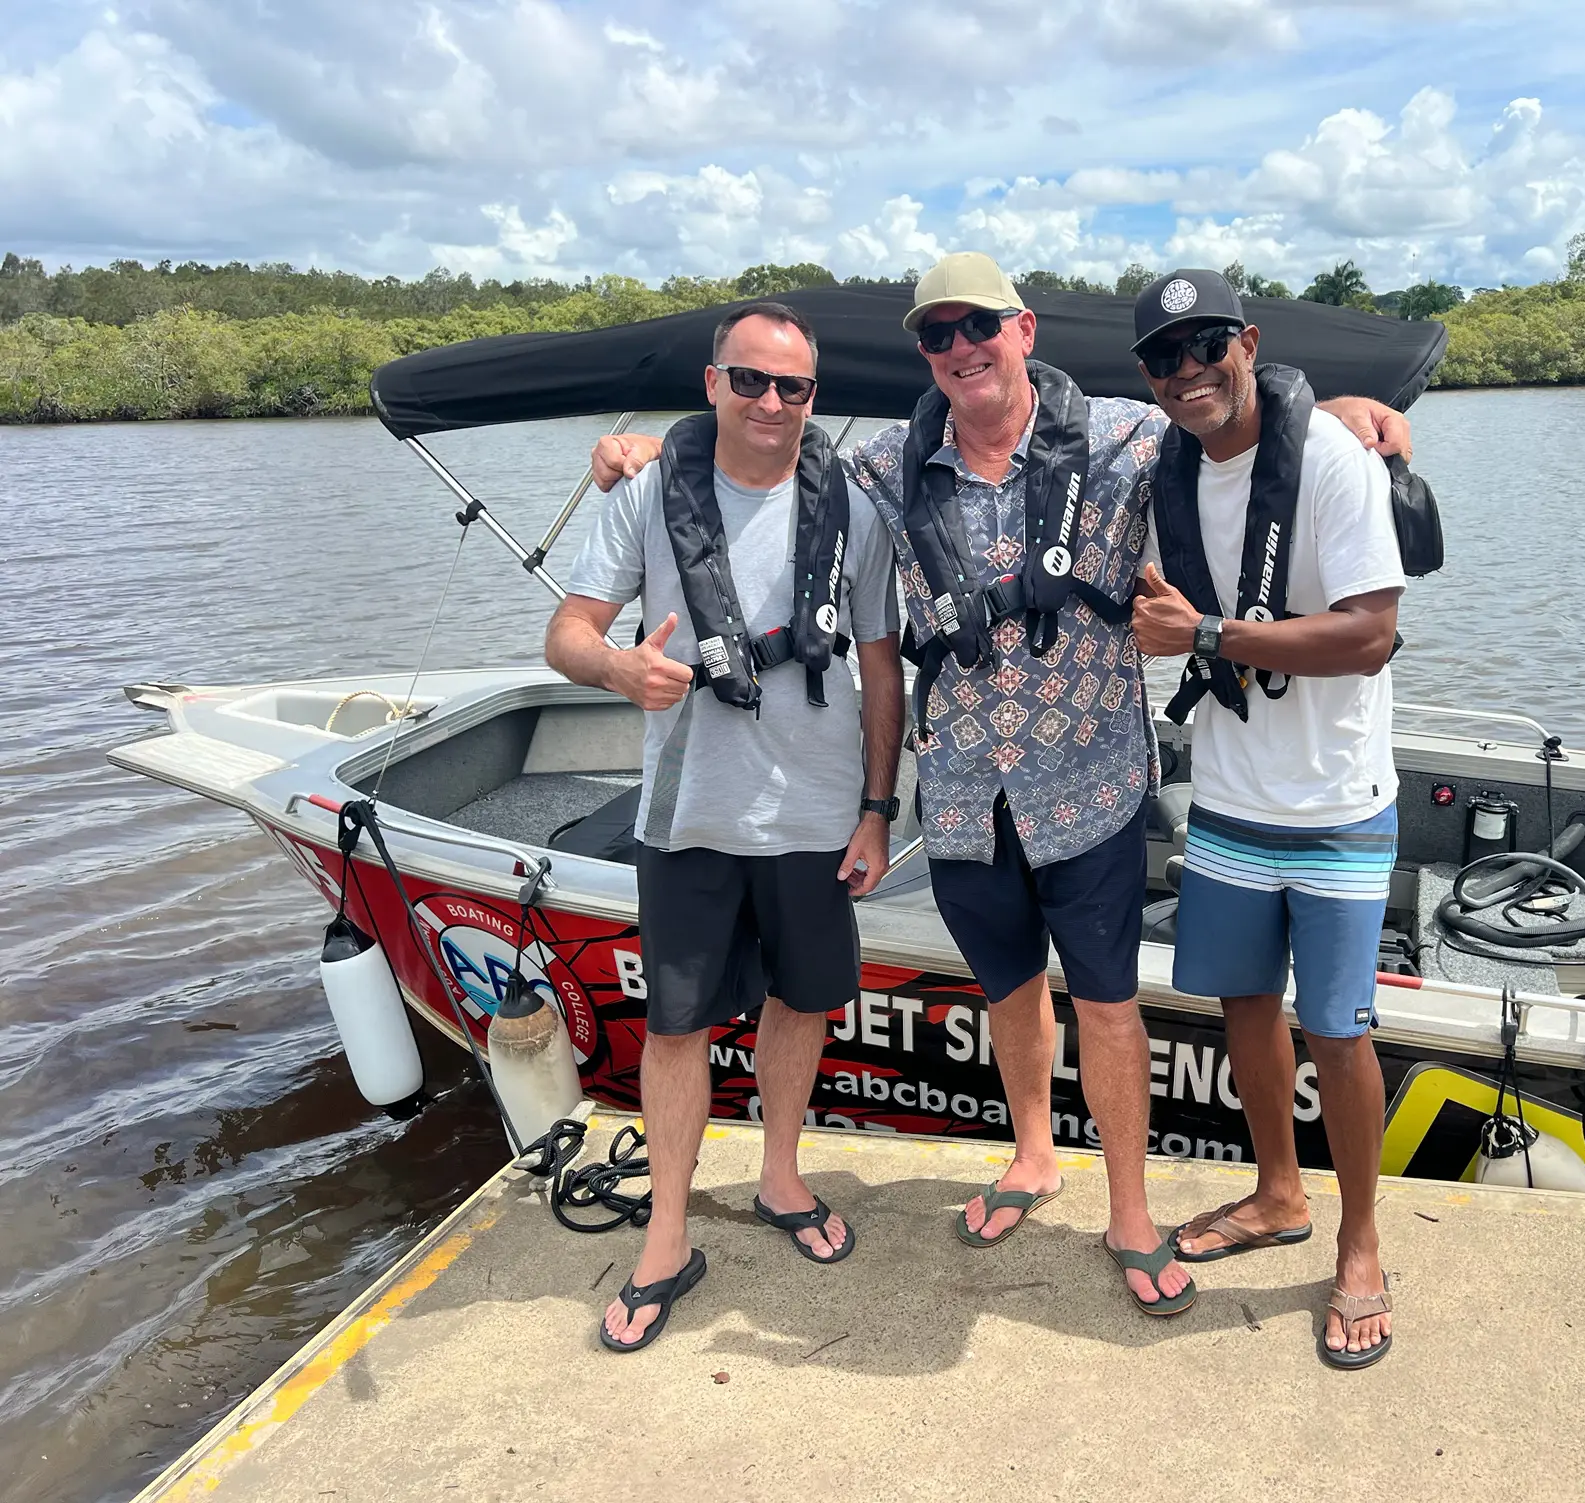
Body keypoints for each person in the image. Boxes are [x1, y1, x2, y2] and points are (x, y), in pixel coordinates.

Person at [585, 255, 1411, 1318]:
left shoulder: (1127, 436)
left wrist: (1338, 408)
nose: (962, 347)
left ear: (1024, 331)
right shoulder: (886, 463)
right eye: (938, 334)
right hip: (970, 790)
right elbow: (769, 454)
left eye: (982, 325)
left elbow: (1235, 419)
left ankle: (1128, 1208)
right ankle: (1031, 1155)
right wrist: (649, 449)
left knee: (1111, 1006)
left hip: (1095, 779)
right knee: (1011, 992)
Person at [545, 301, 904, 1352]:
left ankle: (780, 1177)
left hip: (817, 811)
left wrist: (878, 810)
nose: (770, 403)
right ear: (713, 384)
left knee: (802, 1003)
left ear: (813, 399)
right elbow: (568, 630)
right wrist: (618, 667)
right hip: (689, 812)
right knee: (675, 1026)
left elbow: (880, 663)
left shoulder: (859, 507)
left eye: (792, 387)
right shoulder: (649, 489)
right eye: (749, 380)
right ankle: (665, 1231)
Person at [1128, 269, 1403, 1367]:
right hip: (1234, 800)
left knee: (1336, 1028)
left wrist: (1208, 639)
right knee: (1246, 1005)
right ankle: (1279, 1192)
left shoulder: (1333, 460)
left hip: (1337, 801)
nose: (1188, 372)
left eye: (1206, 345)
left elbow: (1370, 634)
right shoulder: (1162, 467)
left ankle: (1363, 1243)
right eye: (1163, 357)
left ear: (1247, 342)